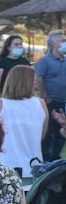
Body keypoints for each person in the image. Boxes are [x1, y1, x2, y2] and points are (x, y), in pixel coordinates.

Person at [0, 64, 48, 176]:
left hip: (5, 166)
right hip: (33, 166)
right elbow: (42, 135)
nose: (36, 82)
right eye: (34, 79)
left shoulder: (0, 104)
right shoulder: (40, 104)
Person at [34, 29, 66, 162]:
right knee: (49, 131)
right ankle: (46, 157)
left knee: (62, 130)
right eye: (62, 40)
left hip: (64, 101)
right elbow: (39, 79)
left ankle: (55, 157)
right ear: (52, 44)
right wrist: (46, 96)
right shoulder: (44, 61)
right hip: (50, 101)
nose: (65, 42)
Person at [0, 33, 32, 105]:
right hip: (7, 99)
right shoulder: (1, 62)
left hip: (24, 98)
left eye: (21, 44)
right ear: (8, 47)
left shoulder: (25, 61)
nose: (19, 46)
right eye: (16, 44)